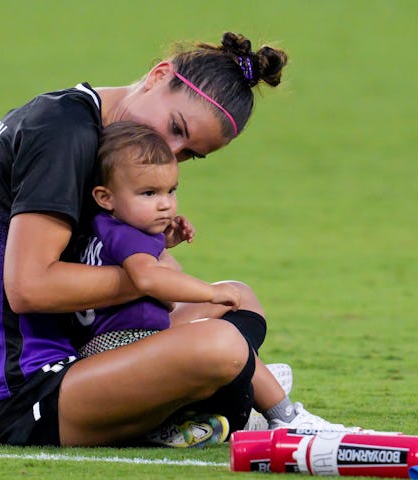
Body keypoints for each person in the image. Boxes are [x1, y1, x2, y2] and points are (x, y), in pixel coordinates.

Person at [0, 31, 360, 448]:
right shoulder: (62, 132)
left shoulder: (112, 147)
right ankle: (247, 404)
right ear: (160, 75)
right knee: (219, 344)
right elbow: (29, 288)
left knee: (239, 300)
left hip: (75, 354)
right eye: (175, 127)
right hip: (12, 394)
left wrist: (159, 264)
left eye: (188, 154)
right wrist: (147, 278)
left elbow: (115, 263)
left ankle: (215, 399)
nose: (168, 150)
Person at [75, 121, 364, 445]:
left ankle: (221, 402)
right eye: (148, 193)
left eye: (171, 191)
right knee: (223, 332)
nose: (165, 204)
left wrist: (160, 242)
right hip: (125, 346)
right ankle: (286, 417)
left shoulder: (102, 225)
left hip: (106, 349)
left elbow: (131, 262)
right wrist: (210, 293)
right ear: (105, 196)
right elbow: (148, 278)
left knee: (235, 306)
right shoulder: (127, 236)